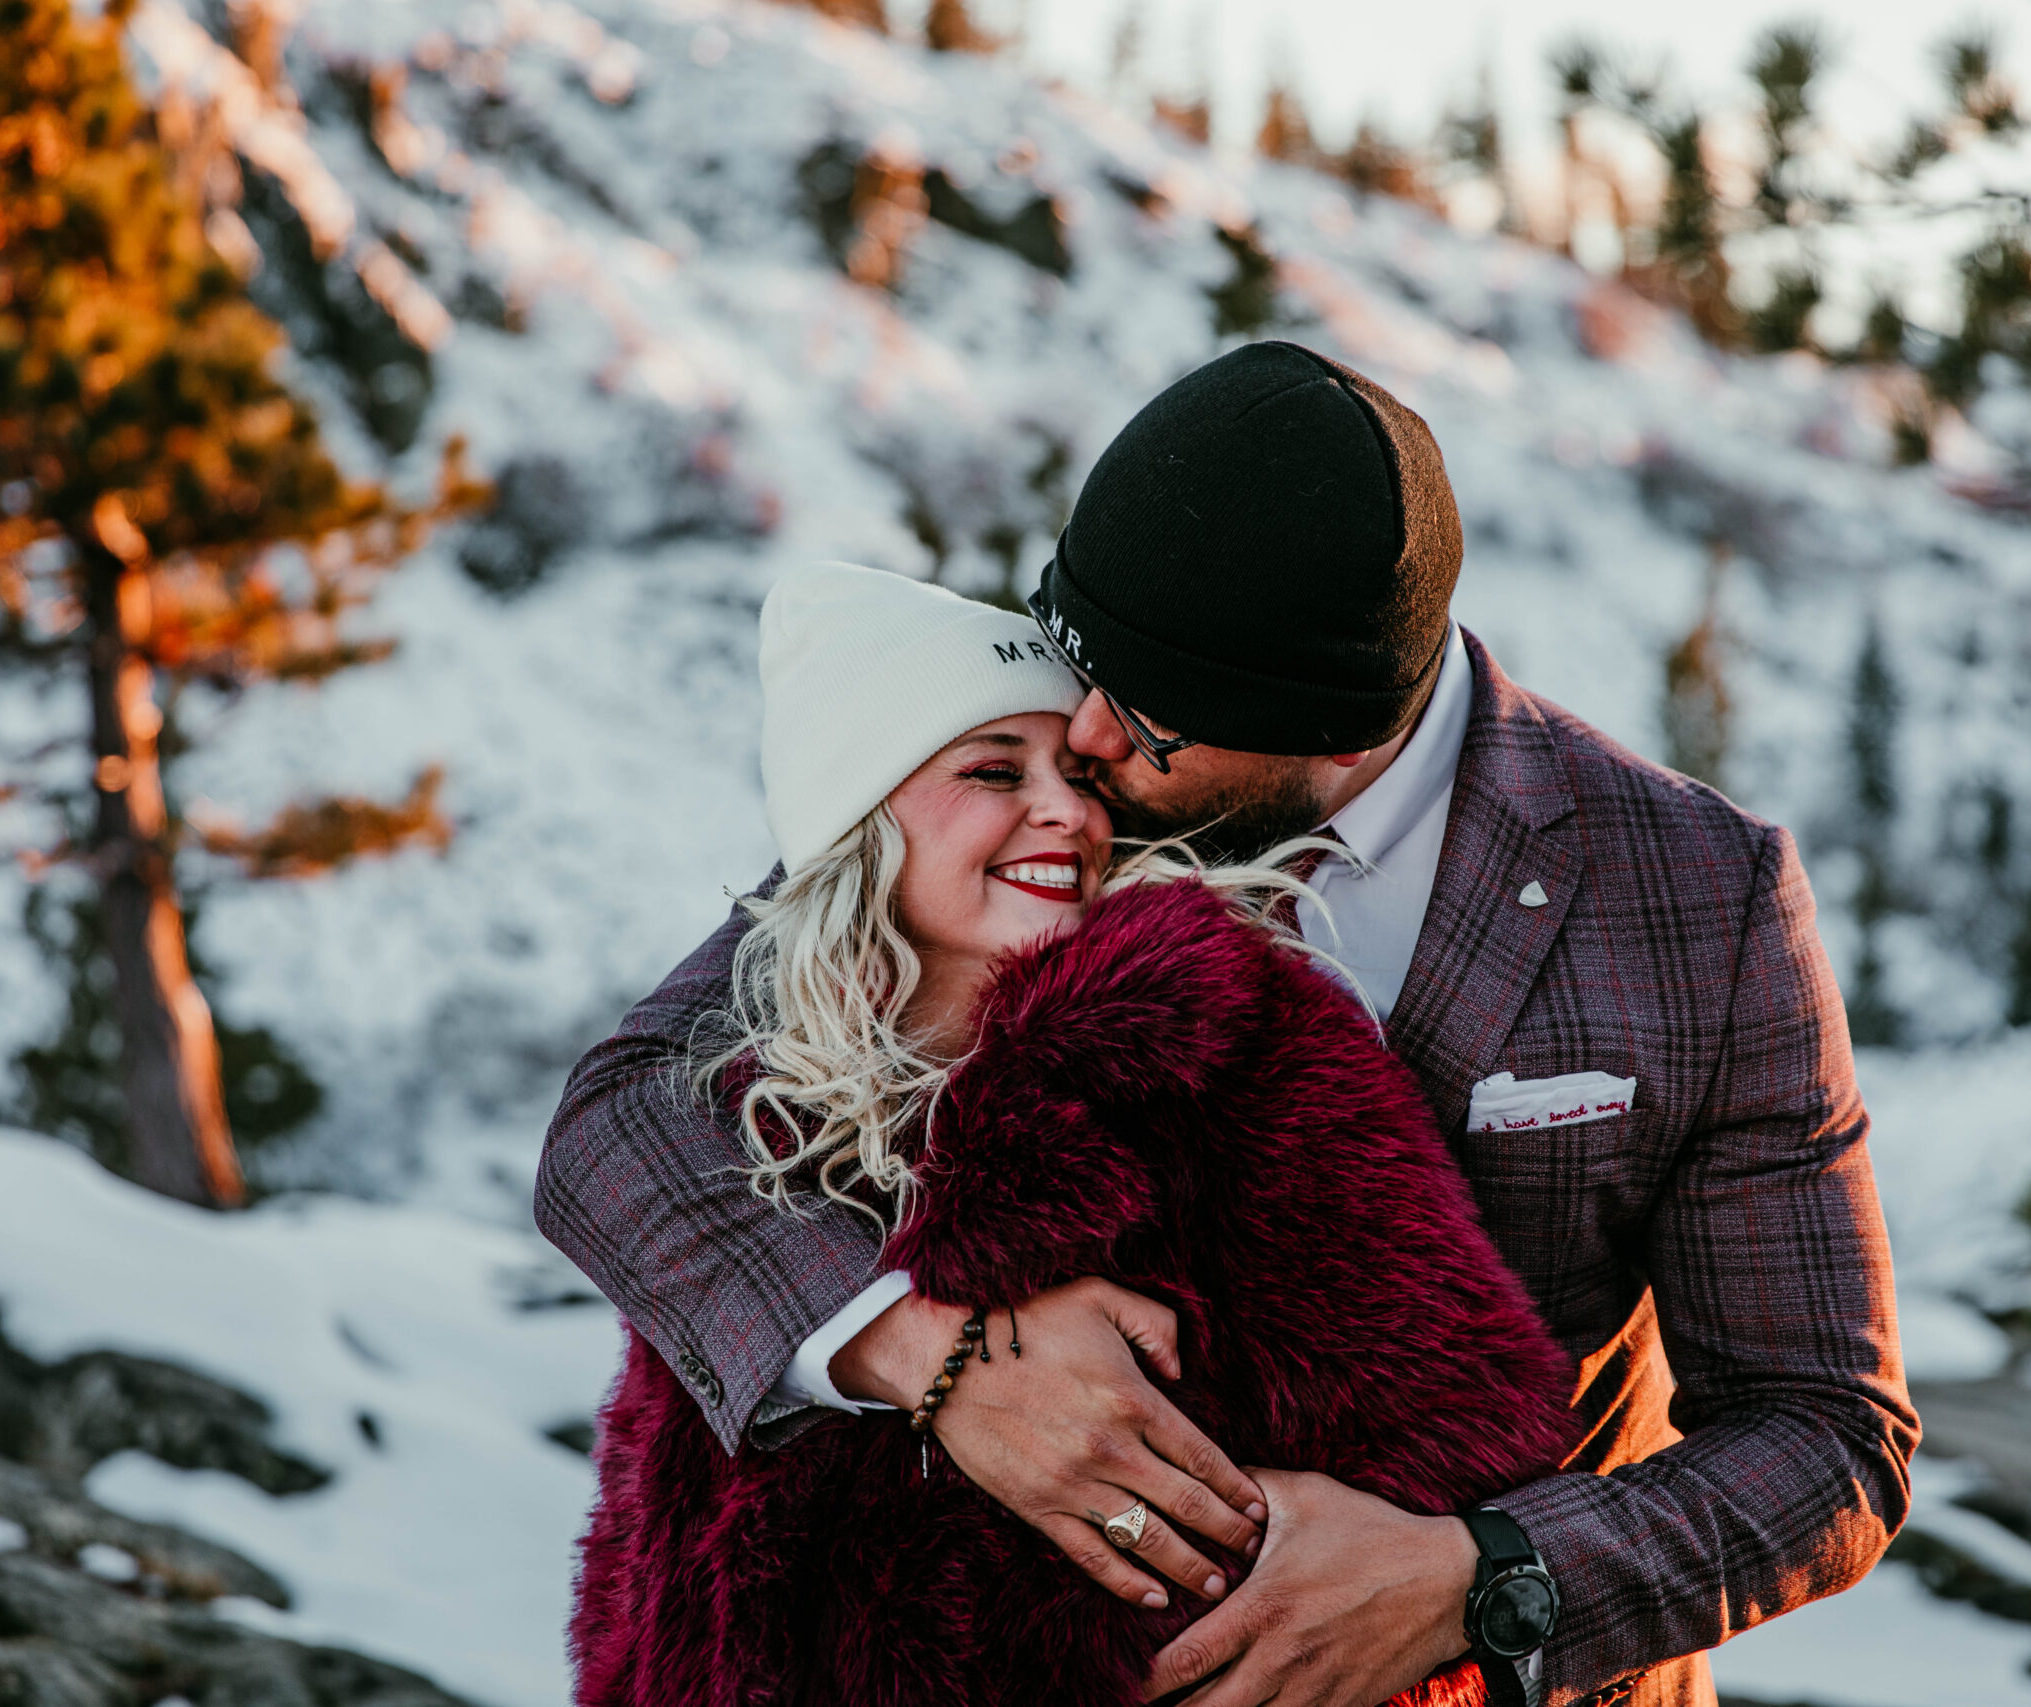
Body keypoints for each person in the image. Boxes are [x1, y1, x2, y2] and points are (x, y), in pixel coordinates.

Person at [539, 342, 1919, 1707]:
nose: (1079, 735)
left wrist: (1478, 1576)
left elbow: (1829, 1435)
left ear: (1327, 737)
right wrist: (933, 1357)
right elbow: (625, 1116)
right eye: (1073, 654)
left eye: (1136, 718)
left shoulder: (1695, 894)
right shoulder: (1055, 803)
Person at [568, 560, 1581, 1707]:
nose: (1066, 811)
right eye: (995, 771)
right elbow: (652, 1543)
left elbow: (1465, 1429)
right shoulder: (745, 1114)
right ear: (860, 823)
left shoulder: (1228, 1053)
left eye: (1080, 774)